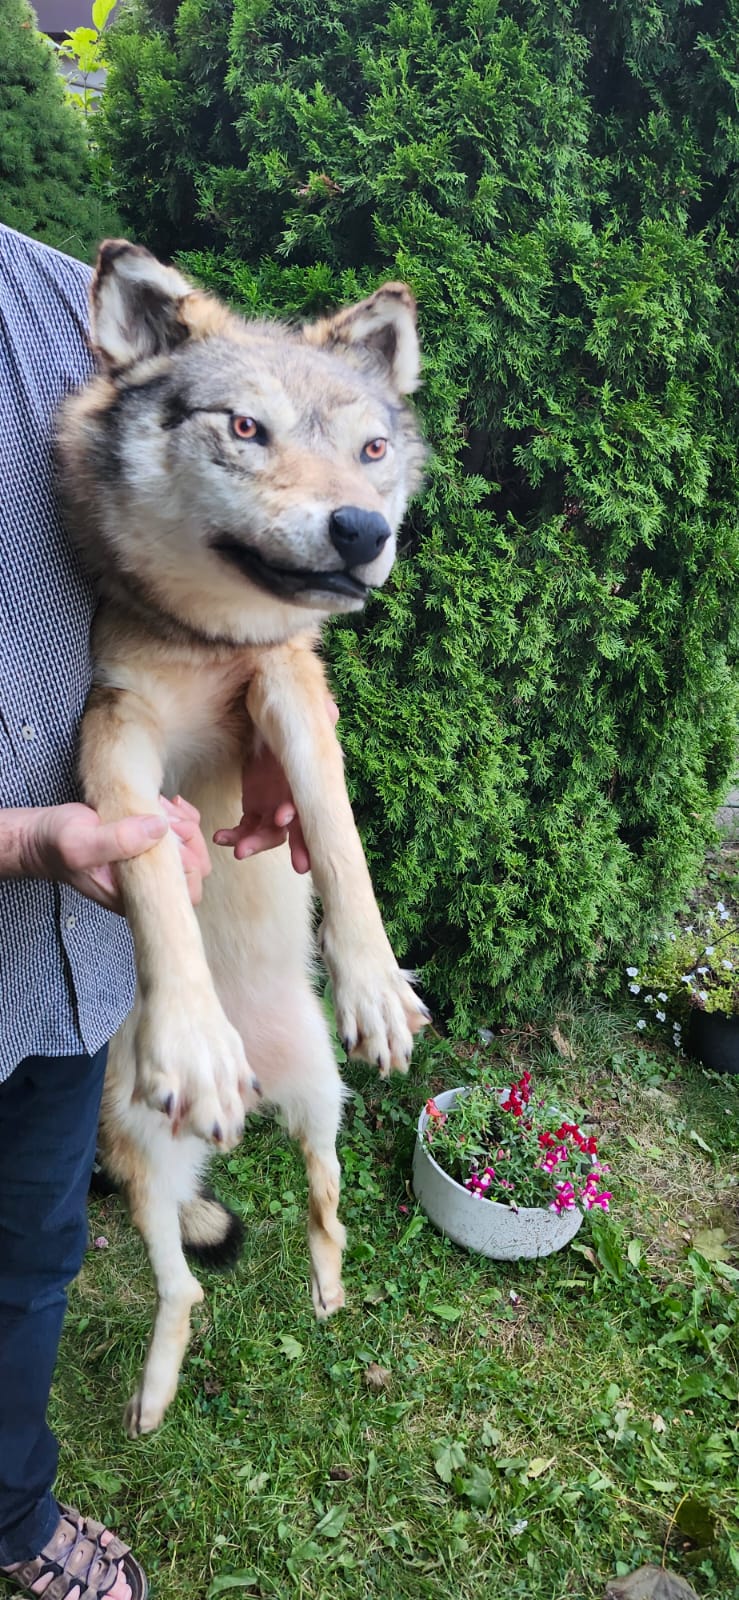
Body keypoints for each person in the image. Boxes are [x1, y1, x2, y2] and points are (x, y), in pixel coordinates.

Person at [0, 223, 316, 1600]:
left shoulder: (71, 302)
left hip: (59, 959)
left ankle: (10, 1516)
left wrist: (259, 720)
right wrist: (26, 836)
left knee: (31, 1254)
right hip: (53, 869)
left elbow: (241, 537)